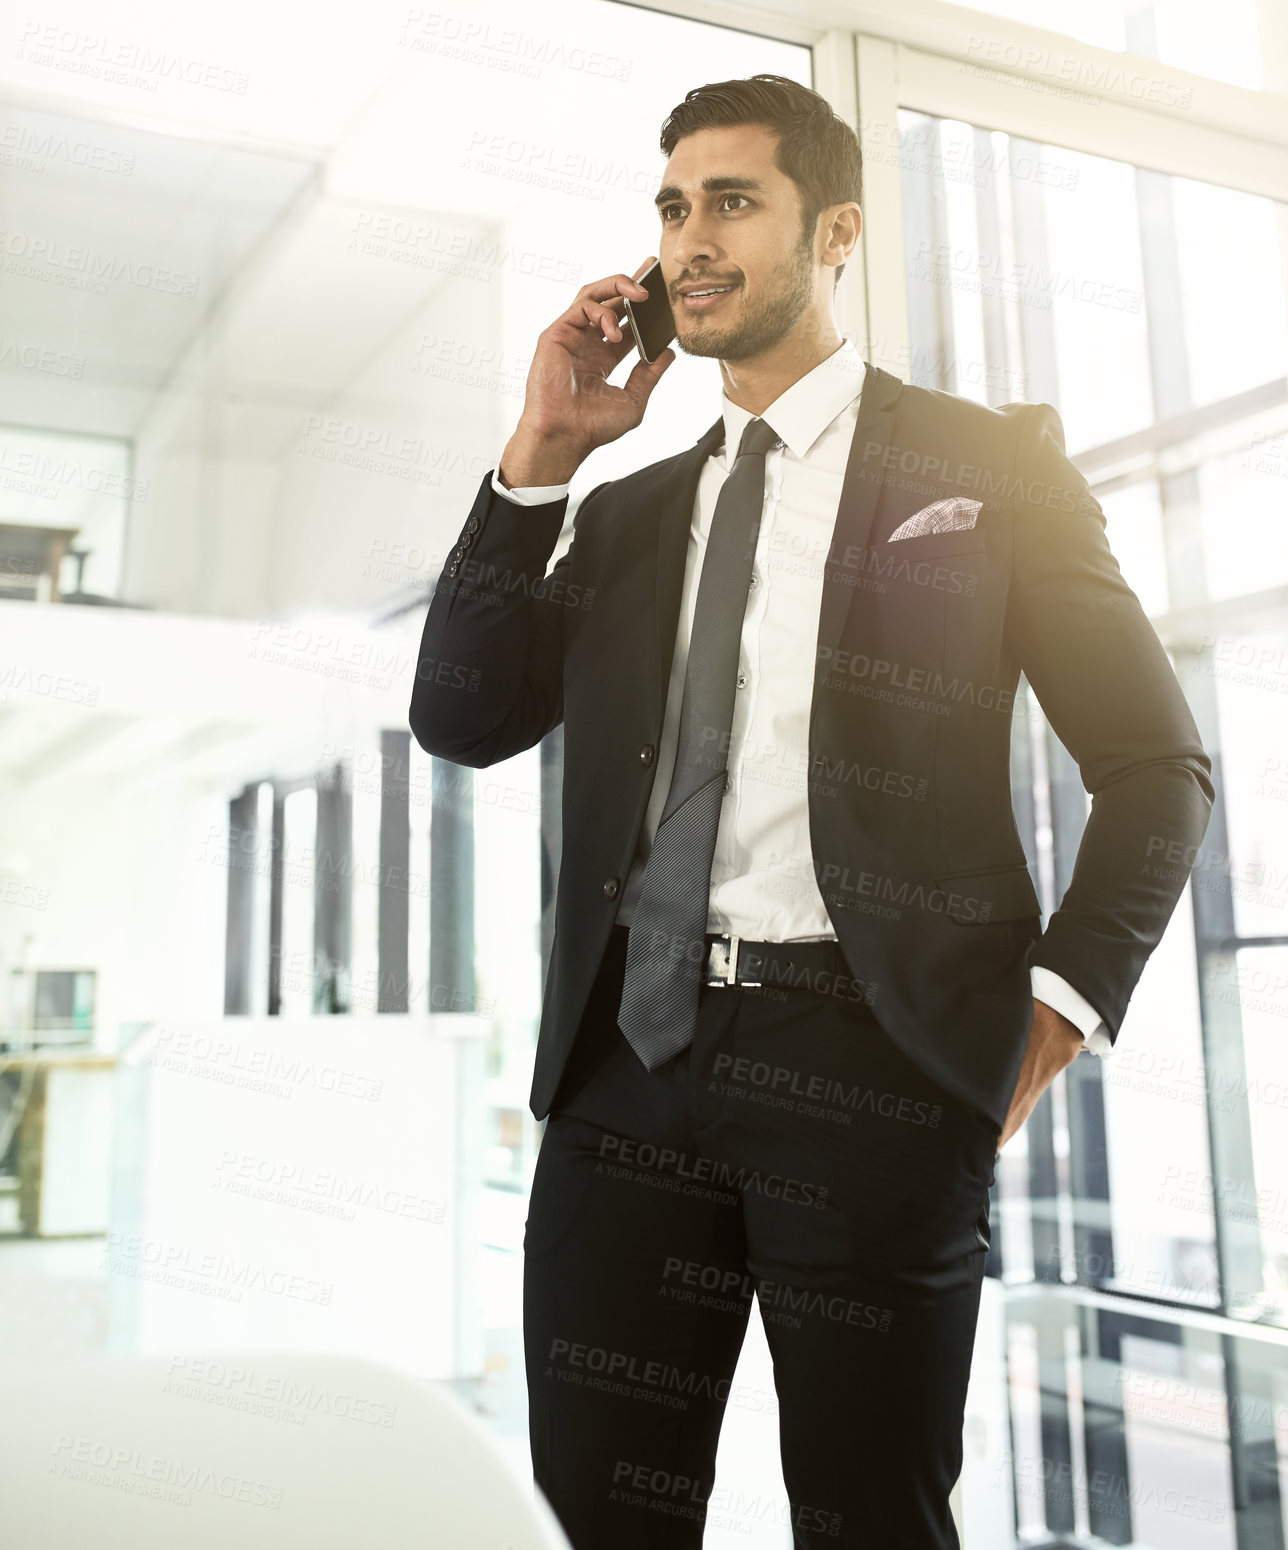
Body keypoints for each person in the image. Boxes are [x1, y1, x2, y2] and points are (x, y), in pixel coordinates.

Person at [409, 73, 1213, 1550]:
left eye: (732, 201)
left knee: (869, 1517)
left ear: (833, 230)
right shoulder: (630, 513)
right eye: (670, 207)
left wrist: (1047, 1018)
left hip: (873, 1071)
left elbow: (1161, 768)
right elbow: (462, 719)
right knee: (592, 1515)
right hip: (625, 1077)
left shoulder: (987, 470)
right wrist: (540, 455)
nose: (689, 239)